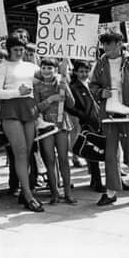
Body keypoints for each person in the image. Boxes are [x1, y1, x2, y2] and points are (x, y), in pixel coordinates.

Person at [90, 30, 129, 206]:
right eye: (104, 44)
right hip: (109, 114)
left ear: (119, 44)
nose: (105, 48)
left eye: (109, 44)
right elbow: (92, 85)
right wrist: (99, 92)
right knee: (110, 154)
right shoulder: (100, 63)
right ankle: (110, 192)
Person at [0, 36, 42, 212]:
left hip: (29, 109)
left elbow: (47, 78)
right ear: (9, 50)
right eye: (16, 50)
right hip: (11, 110)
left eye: (22, 49)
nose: (20, 53)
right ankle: (28, 195)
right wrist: (16, 92)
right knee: (20, 152)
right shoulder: (2, 67)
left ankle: (25, 190)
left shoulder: (31, 66)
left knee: (27, 153)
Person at [34, 58, 77, 204]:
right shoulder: (37, 86)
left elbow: (71, 104)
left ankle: (68, 193)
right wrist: (51, 99)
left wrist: (66, 88)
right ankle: (54, 193)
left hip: (61, 124)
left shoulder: (61, 83)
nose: (47, 71)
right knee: (50, 160)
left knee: (64, 159)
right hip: (46, 126)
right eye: (44, 68)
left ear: (55, 69)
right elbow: (36, 108)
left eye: (50, 68)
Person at [67, 60, 104, 192]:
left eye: (86, 71)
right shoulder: (73, 87)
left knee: (102, 149)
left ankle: (98, 180)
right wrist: (82, 115)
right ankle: (97, 180)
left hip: (98, 119)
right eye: (81, 71)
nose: (84, 74)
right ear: (75, 72)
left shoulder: (92, 85)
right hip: (86, 122)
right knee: (92, 151)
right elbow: (69, 106)